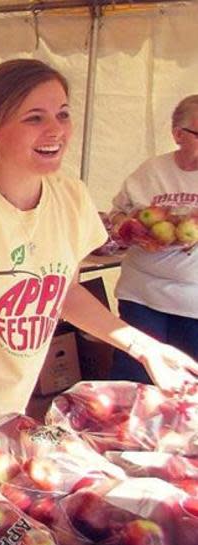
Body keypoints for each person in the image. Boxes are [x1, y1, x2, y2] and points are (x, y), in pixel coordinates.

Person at [0, 59, 198, 440]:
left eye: (62, 114)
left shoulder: (72, 198)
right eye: (34, 118)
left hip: (7, 409)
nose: (56, 130)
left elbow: (63, 290)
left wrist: (143, 347)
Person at [108, 95, 198, 383]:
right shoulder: (151, 171)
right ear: (178, 135)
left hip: (193, 301)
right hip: (142, 296)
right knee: (135, 380)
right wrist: (132, 230)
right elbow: (116, 216)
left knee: (188, 383)